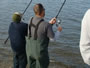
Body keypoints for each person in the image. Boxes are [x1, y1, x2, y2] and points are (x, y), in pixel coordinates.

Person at [26, 3, 62, 68]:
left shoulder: (30, 20)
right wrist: (59, 31)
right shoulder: (46, 25)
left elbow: (39, 28)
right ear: (42, 11)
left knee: (32, 66)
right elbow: (53, 39)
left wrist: (50, 23)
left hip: (29, 50)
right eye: (44, 9)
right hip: (40, 53)